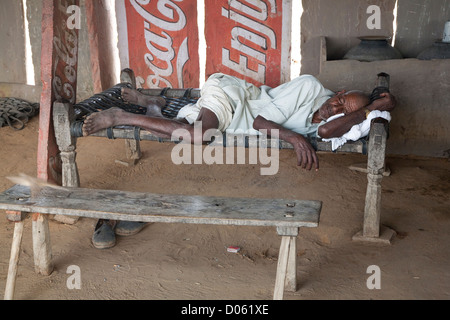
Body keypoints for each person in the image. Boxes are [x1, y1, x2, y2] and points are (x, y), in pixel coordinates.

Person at [84, 73, 396, 249]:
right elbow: (260, 123)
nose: (334, 107)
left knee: (194, 122)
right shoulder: (312, 87)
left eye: (343, 110)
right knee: (196, 136)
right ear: (337, 91)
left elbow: (328, 128)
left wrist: (371, 108)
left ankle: (157, 104)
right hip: (232, 97)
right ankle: (121, 116)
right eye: (338, 99)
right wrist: (294, 137)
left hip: (233, 117)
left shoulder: (329, 124)